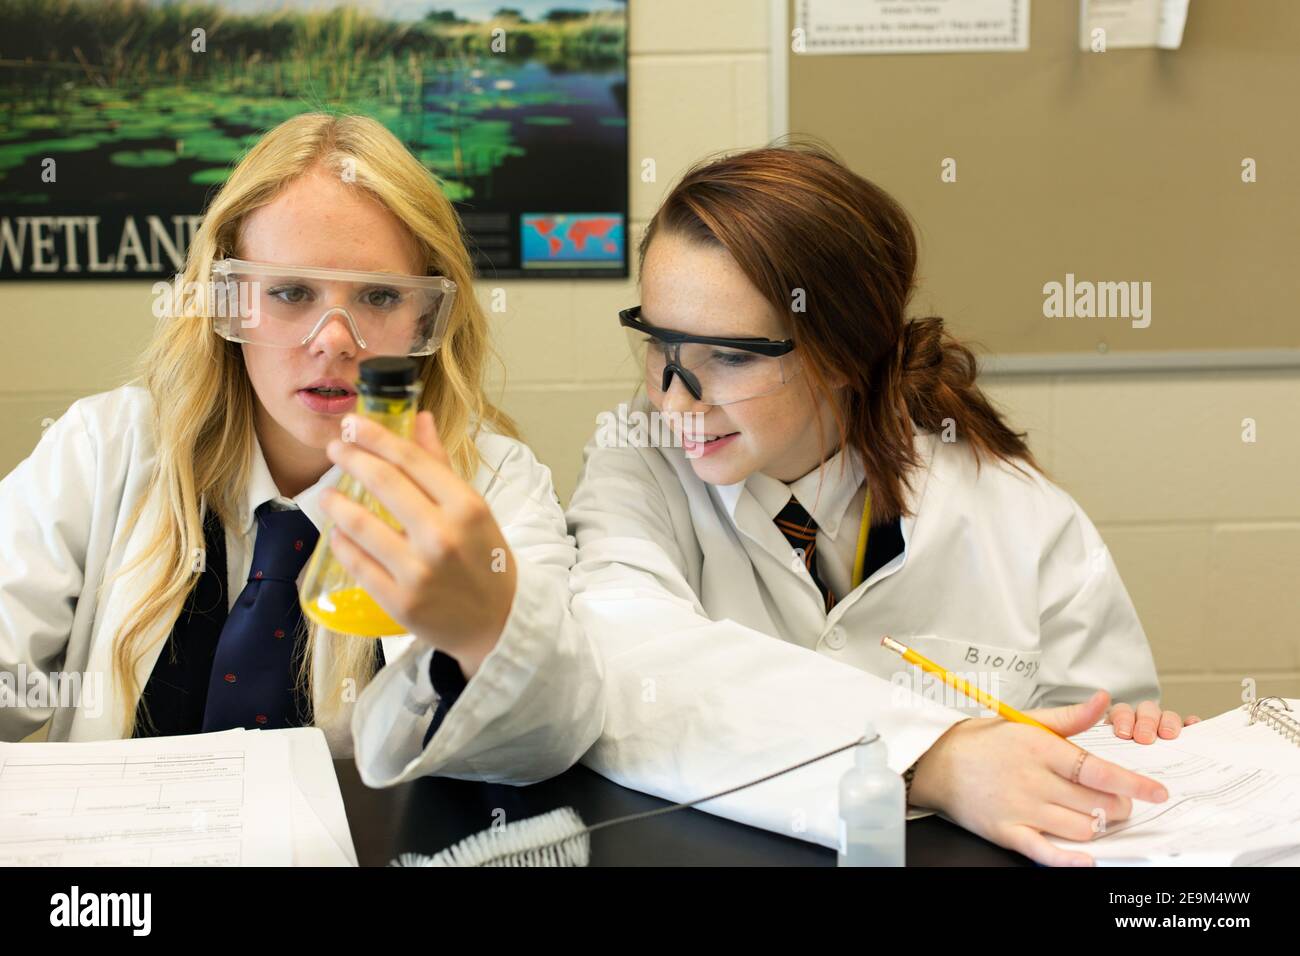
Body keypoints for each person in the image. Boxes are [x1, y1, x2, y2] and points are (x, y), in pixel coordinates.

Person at [566, 144, 1196, 865]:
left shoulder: (1022, 518)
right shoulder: (639, 460)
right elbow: (615, 659)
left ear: (841, 352)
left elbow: (1097, 752)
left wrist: (1129, 739)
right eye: (659, 342)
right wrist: (933, 757)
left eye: (731, 357)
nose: (675, 397)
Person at [0, 112, 603, 788]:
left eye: (378, 295)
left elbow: (553, 739)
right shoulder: (103, 450)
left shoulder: (489, 485)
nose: (335, 340)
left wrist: (486, 632)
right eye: (290, 292)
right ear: (225, 301)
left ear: (425, 316)